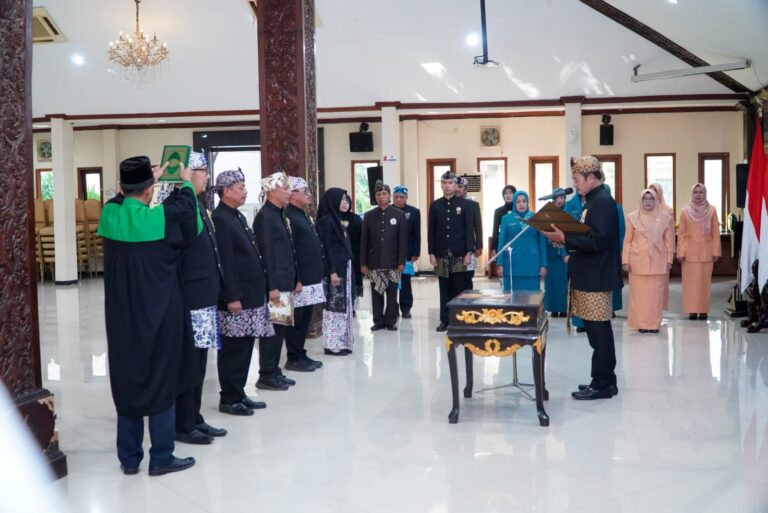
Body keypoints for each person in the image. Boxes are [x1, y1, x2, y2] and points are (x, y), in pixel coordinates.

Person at [98, 155, 197, 475]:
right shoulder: (160, 219)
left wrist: (142, 180)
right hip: (160, 316)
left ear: (123, 187)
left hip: (121, 320)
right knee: (161, 380)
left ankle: (129, 458)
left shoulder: (110, 215)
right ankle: (161, 456)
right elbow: (186, 213)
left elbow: (120, 199)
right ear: (149, 190)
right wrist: (184, 182)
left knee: (127, 380)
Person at [542, 156, 622, 400]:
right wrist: (565, 237)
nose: (575, 184)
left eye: (577, 179)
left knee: (599, 332)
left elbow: (599, 240)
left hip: (597, 277)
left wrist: (565, 238)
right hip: (589, 274)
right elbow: (588, 234)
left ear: (591, 178)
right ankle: (602, 380)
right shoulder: (592, 201)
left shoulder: (603, 202)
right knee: (596, 331)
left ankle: (604, 383)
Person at [174, 151, 226, 445]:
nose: (207, 176)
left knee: (200, 361)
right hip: (191, 298)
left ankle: (194, 416)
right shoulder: (181, 205)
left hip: (205, 298)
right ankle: (183, 423)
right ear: (188, 174)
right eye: (203, 171)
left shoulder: (199, 203)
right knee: (189, 363)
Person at [212, 169, 272, 415]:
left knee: (246, 346)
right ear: (226, 191)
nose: (245, 191)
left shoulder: (236, 215)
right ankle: (229, 398)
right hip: (237, 298)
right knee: (233, 349)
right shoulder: (220, 218)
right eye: (240, 188)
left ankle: (239, 392)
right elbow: (225, 262)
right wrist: (232, 296)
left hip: (250, 295)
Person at [253, 171, 301, 391]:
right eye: (286, 188)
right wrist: (271, 286)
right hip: (276, 285)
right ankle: (266, 374)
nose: (290, 192)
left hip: (285, 282)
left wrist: (295, 278)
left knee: (280, 328)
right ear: (272, 191)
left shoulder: (280, 214)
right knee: (272, 331)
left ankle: (274, 370)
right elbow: (266, 254)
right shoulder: (265, 216)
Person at [284, 176, 326, 370]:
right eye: (305, 191)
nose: (309, 195)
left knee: (305, 319)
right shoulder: (289, 216)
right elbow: (291, 250)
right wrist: (297, 278)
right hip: (300, 280)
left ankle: (300, 353)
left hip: (311, 278)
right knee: (297, 320)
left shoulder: (303, 214)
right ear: (292, 194)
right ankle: (293, 357)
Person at [427, 171, 475, 332]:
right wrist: (431, 253)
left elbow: (469, 231)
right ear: (441, 185)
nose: (447, 186)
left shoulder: (465, 205)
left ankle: (459, 321)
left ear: (456, 186)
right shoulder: (435, 205)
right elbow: (431, 231)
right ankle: (445, 320)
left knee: (458, 289)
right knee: (444, 289)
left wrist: (469, 252)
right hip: (441, 254)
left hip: (459, 253)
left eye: (450, 183)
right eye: (444, 183)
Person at [623, 189, 674, 333]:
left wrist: (669, 259)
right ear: (641, 201)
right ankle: (641, 324)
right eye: (644, 199)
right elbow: (627, 240)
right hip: (637, 261)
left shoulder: (665, 218)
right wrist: (625, 260)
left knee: (655, 296)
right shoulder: (633, 217)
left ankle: (654, 324)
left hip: (658, 261)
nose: (647, 202)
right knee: (639, 296)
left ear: (656, 200)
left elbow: (669, 242)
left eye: (651, 199)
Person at [361, 182, 408, 331]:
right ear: (375, 197)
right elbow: (364, 241)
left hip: (393, 262)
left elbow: (402, 241)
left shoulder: (399, 215)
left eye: (384, 194)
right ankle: (378, 321)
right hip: (374, 261)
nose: (381, 197)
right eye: (378, 194)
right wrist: (363, 263)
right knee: (377, 292)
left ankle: (391, 320)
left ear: (389, 196)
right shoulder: (369, 216)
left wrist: (401, 261)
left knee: (392, 293)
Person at [317, 188, 356, 355]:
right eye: (341, 199)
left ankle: (342, 342)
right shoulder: (327, 221)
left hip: (343, 268)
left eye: (346, 200)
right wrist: (331, 271)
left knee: (344, 306)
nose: (345, 203)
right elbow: (326, 248)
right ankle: (332, 344)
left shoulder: (337, 219)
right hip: (335, 271)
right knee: (334, 306)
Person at [677, 183, 721, 320]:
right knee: (690, 284)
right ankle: (692, 310)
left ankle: (702, 310)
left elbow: (715, 232)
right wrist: (680, 252)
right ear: (692, 194)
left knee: (704, 283)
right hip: (689, 253)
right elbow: (681, 234)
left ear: (705, 194)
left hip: (707, 252)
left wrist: (716, 251)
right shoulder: (685, 211)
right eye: (695, 192)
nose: (698, 195)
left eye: (701, 192)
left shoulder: (712, 210)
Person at [496, 190, 547, 292]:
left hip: (532, 266)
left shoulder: (536, 218)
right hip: (512, 266)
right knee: (512, 299)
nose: (521, 204)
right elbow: (501, 242)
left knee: (532, 298)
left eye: (524, 201)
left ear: (528, 202)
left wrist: (543, 265)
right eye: (518, 201)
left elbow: (542, 243)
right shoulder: (506, 219)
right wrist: (499, 263)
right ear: (514, 203)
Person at [392, 185, 421, 319]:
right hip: (390, 253)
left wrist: (416, 251)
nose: (398, 199)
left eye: (401, 197)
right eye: (396, 197)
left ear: (406, 198)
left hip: (407, 252)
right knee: (391, 282)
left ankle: (406, 308)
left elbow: (416, 233)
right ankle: (392, 308)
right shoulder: (388, 210)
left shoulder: (413, 212)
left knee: (405, 282)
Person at [648, 182, 674, 309]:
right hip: (647, 253)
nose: (653, 193)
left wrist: (670, 255)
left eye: (655, 191)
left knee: (661, 283)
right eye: (650, 190)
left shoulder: (667, 211)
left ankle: (660, 307)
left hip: (662, 253)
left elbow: (671, 235)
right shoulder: (644, 210)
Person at [455, 176, 483, 290]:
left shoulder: (473, 204)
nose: (457, 189)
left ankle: (468, 300)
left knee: (467, 278)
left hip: (469, 246)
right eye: (456, 186)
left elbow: (478, 226)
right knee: (455, 280)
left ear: (465, 189)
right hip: (454, 247)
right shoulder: (449, 204)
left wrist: (479, 245)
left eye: (460, 187)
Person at [544, 188, 568, 315]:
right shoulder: (547, 214)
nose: (560, 200)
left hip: (563, 255)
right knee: (551, 283)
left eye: (562, 197)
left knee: (562, 284)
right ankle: (553, 309)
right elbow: (543, 231)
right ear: (553, 199)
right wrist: (550, 239)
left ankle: (563, 309)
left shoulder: (568, 212)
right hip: (551, 254)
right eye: (558, 197)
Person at [339, 193, 363, 300]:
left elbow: (362, 239)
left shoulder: (356, 219)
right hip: (338, 257)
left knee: (353, 282)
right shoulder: (332, 218)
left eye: (347, 201)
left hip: (354, 256)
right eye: (342, 201)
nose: (345, 204)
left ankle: (352, 304)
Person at [490, 185, 517, 259]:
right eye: (505, 193)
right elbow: (495, 231)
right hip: (502, 243)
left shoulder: (519, 210)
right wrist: (493, 248)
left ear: (515, 194)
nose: (508, 195)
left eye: (510, 193)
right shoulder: (498, 211)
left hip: (517, 243)